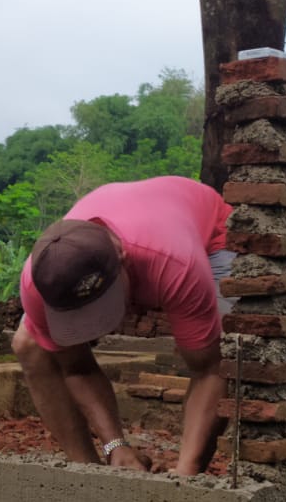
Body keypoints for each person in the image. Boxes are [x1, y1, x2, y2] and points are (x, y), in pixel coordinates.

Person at [12, 175, 235, 478]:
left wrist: (184, 479)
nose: (97, 325)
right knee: (28, 345)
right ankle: (85, 474)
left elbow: (209, 370)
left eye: (103, 306)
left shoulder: (174, 263)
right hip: (134, 219)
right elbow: (76, 368)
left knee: (223, 354)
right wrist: (116, 446)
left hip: (208, 233)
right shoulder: (39, 284)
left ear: (124, 262)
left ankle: (188, 476)